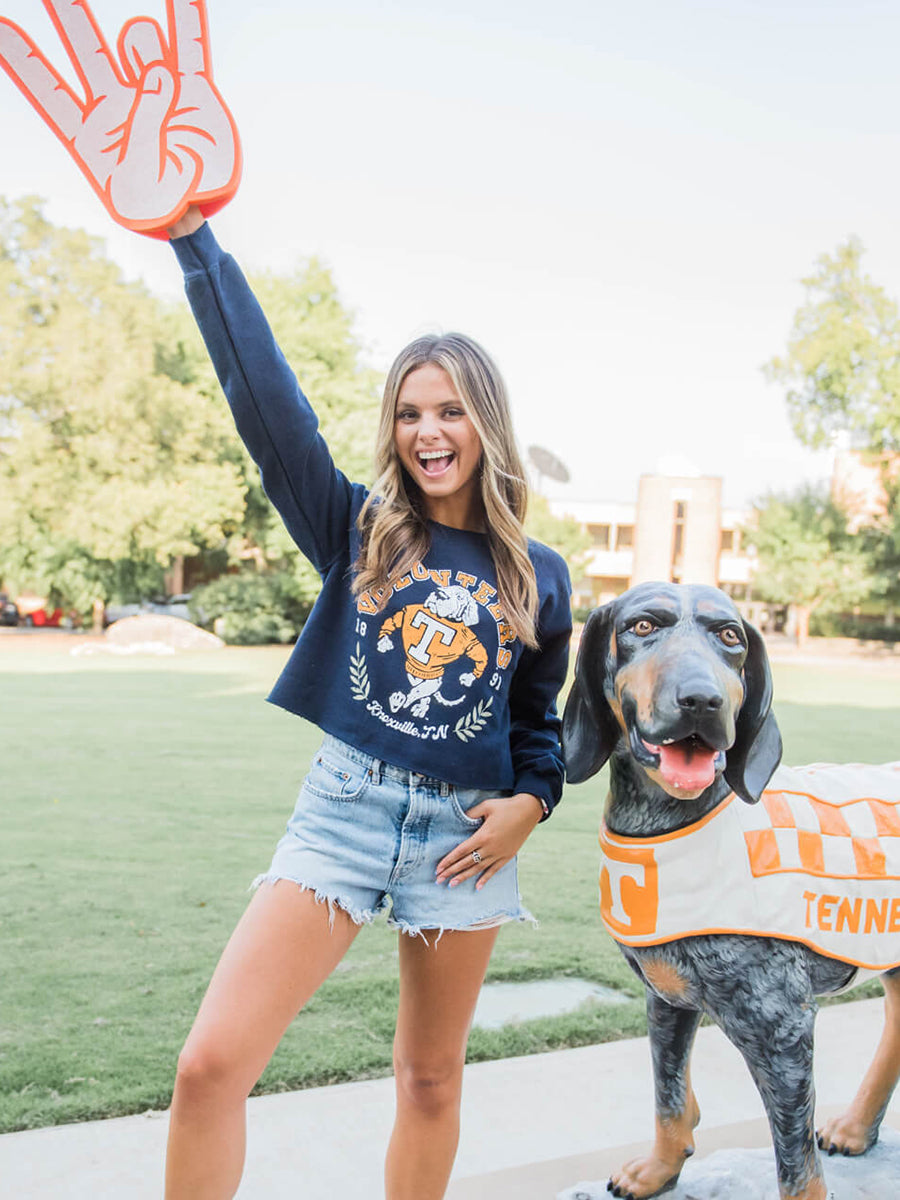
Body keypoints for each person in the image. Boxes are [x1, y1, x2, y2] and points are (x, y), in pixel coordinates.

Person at [161, 205, 572, 1199]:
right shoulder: (358, 528)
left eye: (450, 409)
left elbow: (537, 722)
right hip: (341, 815)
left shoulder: (541, 575)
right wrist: (193, 243)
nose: (428, 430)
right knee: (209, 1065)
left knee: (430, 1081)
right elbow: (268, 405)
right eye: (409, 411)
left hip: (463, 841)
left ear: (485, 423)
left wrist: (533, 802)